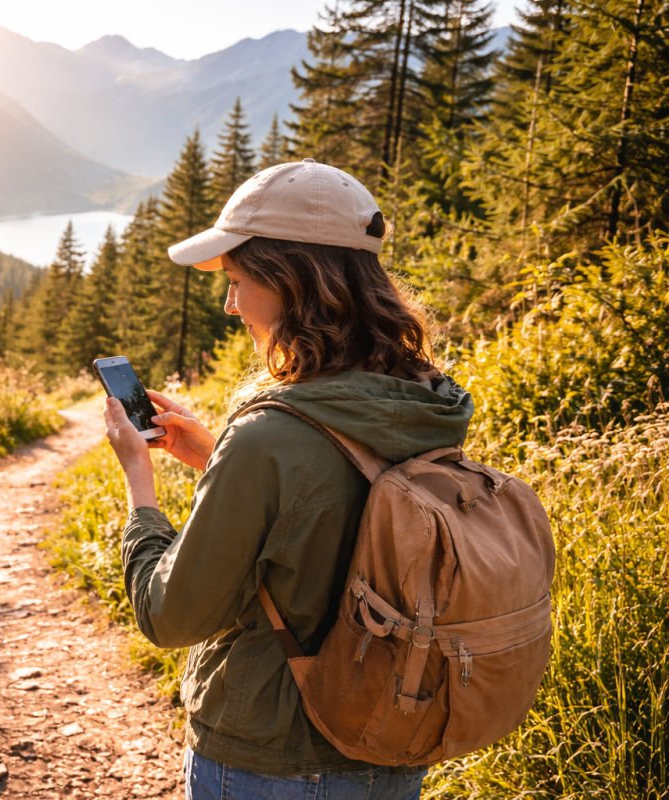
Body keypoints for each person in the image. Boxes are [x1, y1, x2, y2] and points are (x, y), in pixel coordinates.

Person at [101, 159, 473, 799]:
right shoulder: (424, 401)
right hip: (393, 745)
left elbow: (170, 616)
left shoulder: (272, 437)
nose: (230, 304)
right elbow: (348, 509)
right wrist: (219, 455)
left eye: (239, 281)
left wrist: (141, 486)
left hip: (272, 761)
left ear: (294, 283)